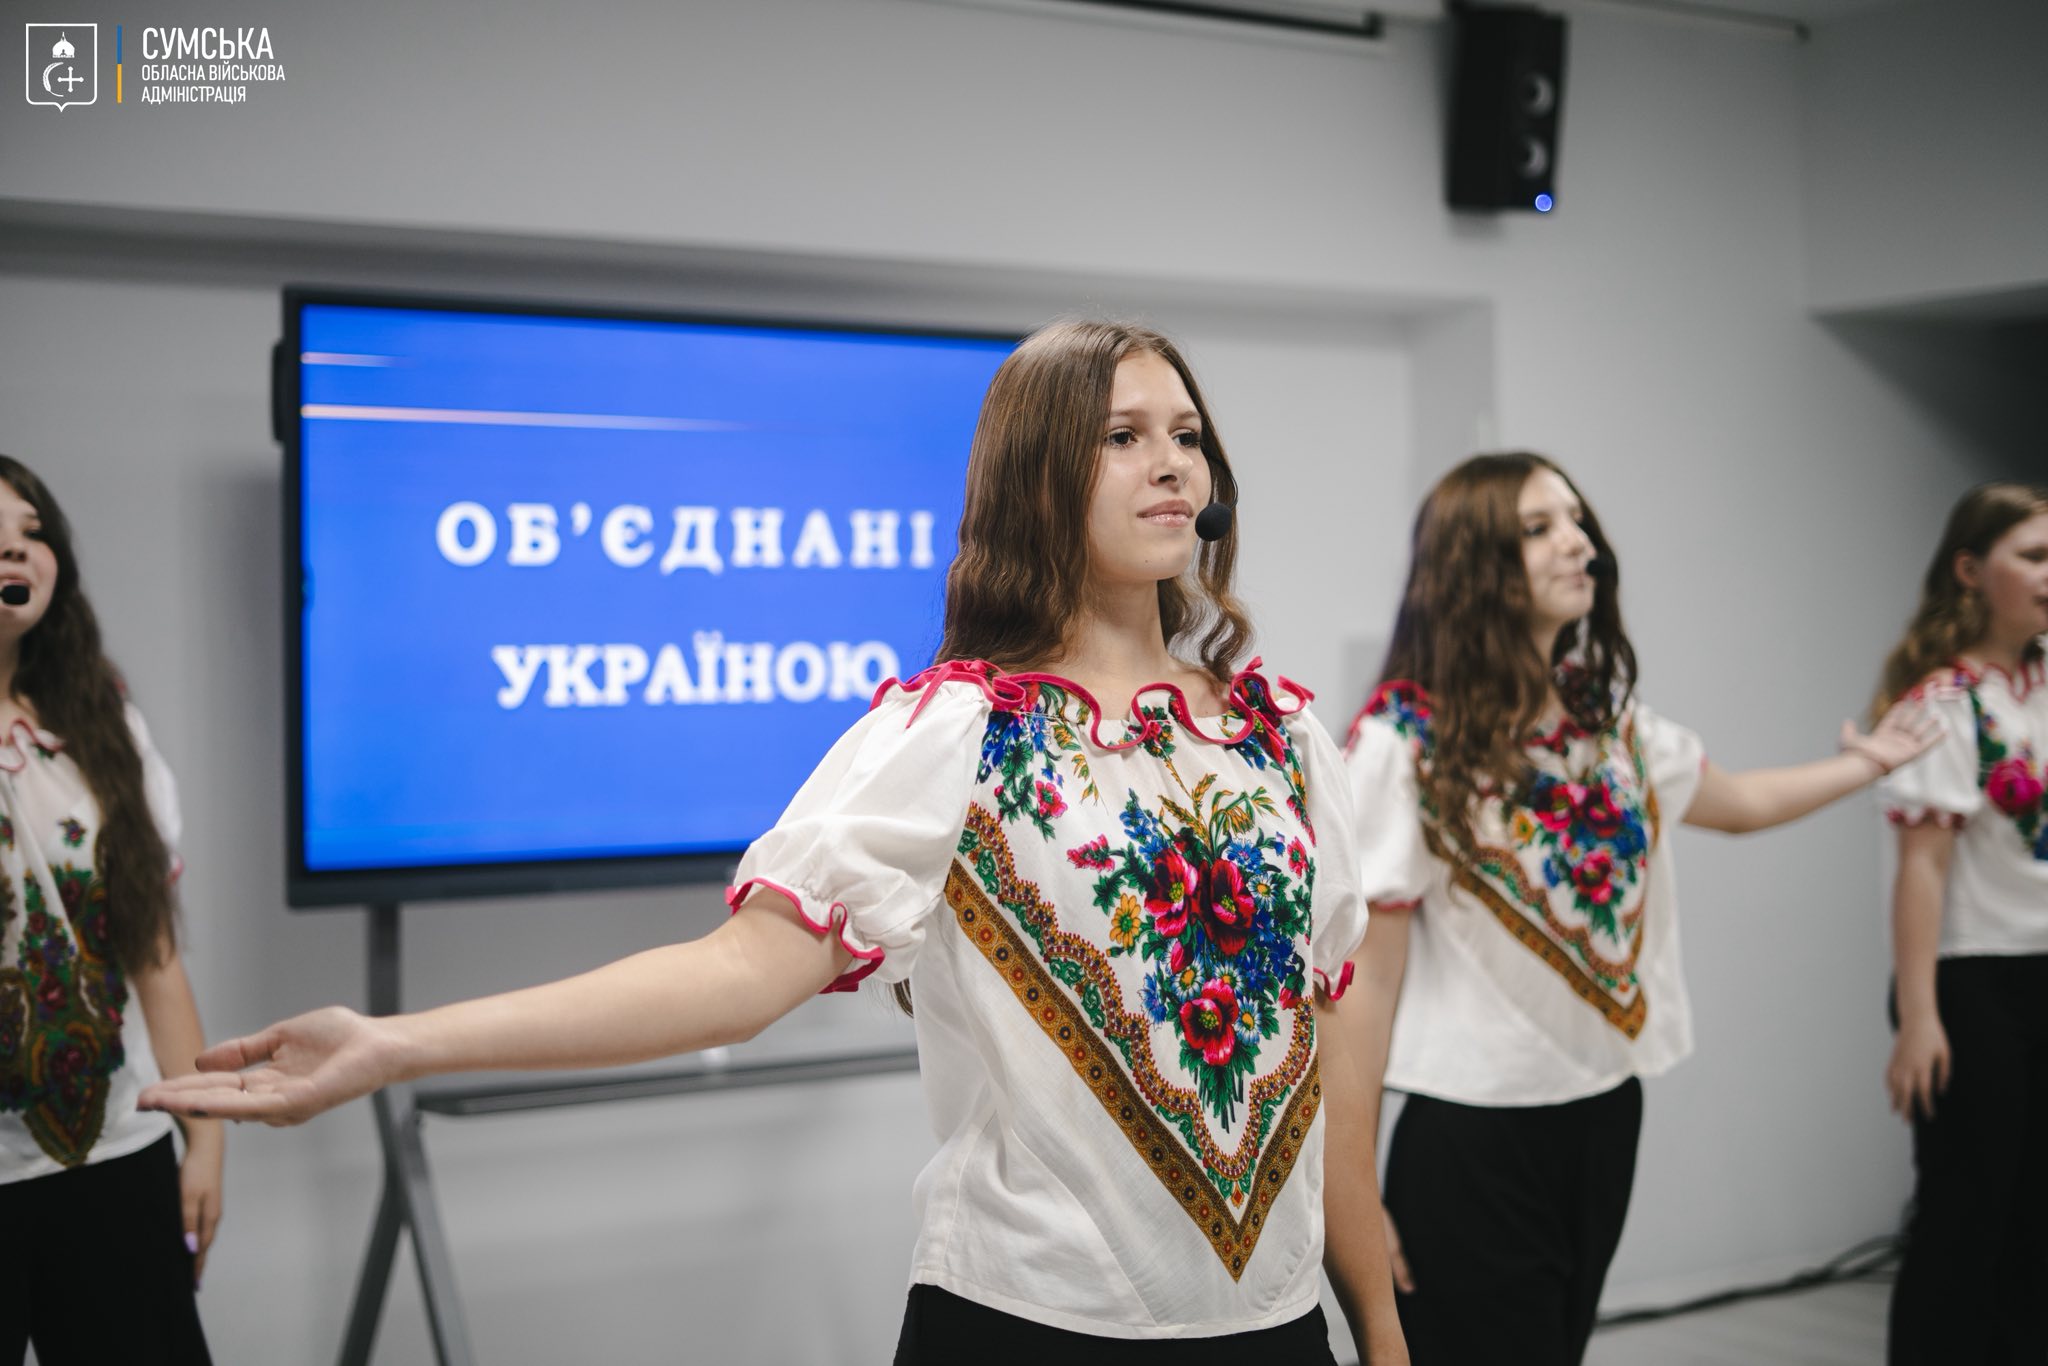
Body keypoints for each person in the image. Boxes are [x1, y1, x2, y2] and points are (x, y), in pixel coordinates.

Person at [141, 321, 1409, 1364]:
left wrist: (1379, 1326)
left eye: (1185, 434)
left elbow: (1326, 1056)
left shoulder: (1281, 736)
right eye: (1121, 437)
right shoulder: (956, 732)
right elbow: (736, 976)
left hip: (1272, 1331)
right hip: (1032, 1326)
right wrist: (395, 1044)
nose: (1170, 464)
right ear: (1036, 477)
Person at [1340, 451, 1935, 1366]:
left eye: (1577, 521)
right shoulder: (1405, 742)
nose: (1578, 544)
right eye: (1538, 528)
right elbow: (1363, 986)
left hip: (1604, 1111)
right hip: (1472, 1132)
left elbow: (1738, 803)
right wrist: (1356, 1195)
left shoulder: (1610, 721)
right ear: (1472, 565)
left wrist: (1867, 763)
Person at [0, 455, 220, 1365]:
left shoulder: (102, 724)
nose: (14, 550)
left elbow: (152, 952)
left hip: (117, 1155)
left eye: (31, 532)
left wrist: (204, 1137)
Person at [1870, 481, 2048, 1365]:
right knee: (1966, 1213)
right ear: (1972, 571)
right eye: (2036, 556)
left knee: (2036, 1220)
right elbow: (1923, 871)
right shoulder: (1941, 704)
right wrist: (1920, 1017)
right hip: (1972, 983)